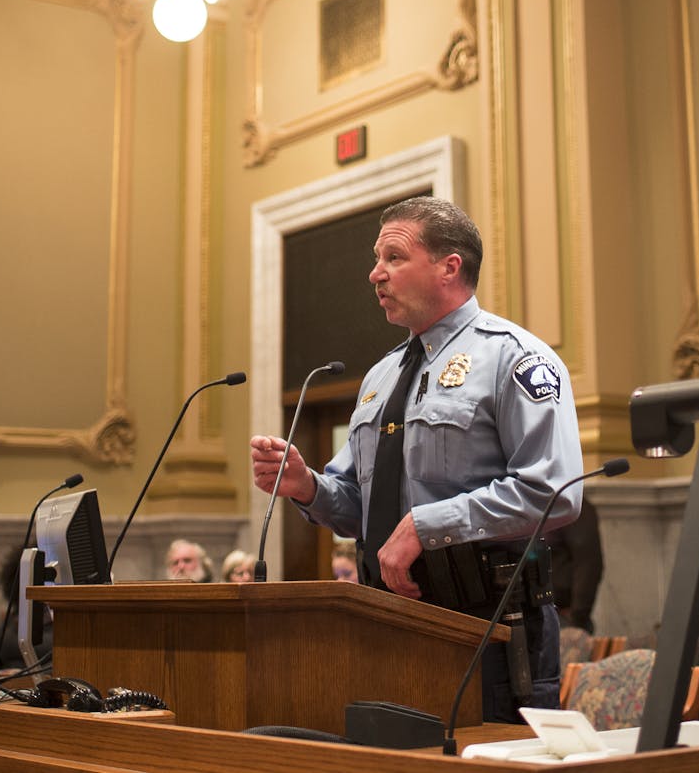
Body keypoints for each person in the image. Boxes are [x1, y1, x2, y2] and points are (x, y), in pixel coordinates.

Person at [249, 196, 584, 722]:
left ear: (450, 266)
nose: (374, 274)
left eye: (393, 258)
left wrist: (426, 527)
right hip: (387, 621)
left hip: (488, 625)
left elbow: (554, 492)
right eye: (377, 259)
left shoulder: (515, 357)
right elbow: (359, 501)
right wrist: (306, 486)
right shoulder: (380, 377)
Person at [546, 495, 602, 633]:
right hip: (536, 614)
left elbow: (588, 564)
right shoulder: (536, 502)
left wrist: (578, 616)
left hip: (563, 617)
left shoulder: (573, 505)